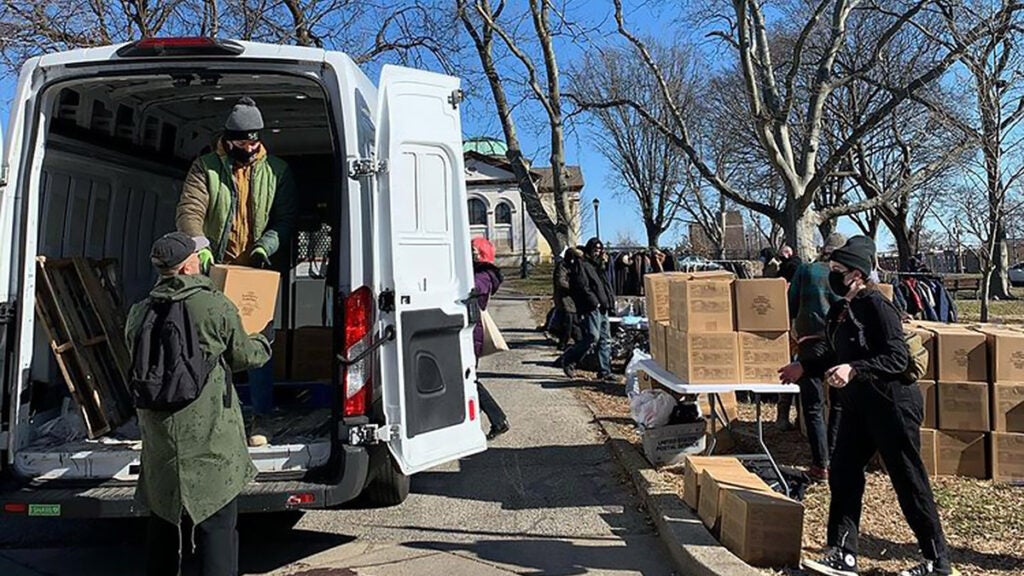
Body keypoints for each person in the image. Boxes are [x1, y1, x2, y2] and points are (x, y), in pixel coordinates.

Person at [781, 236, 958, 576]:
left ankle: (938, 561)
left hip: (892, 404)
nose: (832, 275)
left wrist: (855, 369)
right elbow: (836, 353)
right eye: (831, 267)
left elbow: (896, 357)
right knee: (844, 474)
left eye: (838, 270)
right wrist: (805, 366)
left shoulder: (877, 305)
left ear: (858, 275)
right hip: (857, 407)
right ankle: (843, 553)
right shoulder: (839, 310)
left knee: (908, 479)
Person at [127, 232, 271, 576]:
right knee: (217, 526)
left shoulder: (139, 312)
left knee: (162, 526)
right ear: (190, 264)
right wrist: (266, 340)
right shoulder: (214, 305)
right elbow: (243, 356)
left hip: (161, 440)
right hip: (209, 438)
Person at [175, 96, 297, 443]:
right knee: (209, 344)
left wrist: (265, 247)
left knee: (257, 342)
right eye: (244, 140)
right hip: (215, 270)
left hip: (256, 271)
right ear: (228, 139)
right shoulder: (206, 167)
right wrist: (201, 246)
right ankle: (214, 416)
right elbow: (190, 210)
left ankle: (261, 418)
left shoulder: (278, 171)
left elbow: (285, 219)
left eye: (255, 139)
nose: (250, 145)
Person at [780, 232, 846, 480]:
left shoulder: (807, 271)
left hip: (811, 344)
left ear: (824, 249)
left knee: (814, 406)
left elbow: (791, 305)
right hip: (841, 344)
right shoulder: (846, 276)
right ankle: (836, 458)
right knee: (838, 404)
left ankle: (821, 465)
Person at [472, 237, 510, 440]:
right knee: (467, 379)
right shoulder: (480, 273)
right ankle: (491, 420)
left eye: (474, 251)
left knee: (467, 379)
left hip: (472, 331)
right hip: (471, 330)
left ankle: (498, 419)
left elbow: (473, 290)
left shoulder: (485, 275)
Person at [561, 237, 615, 382]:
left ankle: (605, 370)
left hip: (603, 306)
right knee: (592, 337)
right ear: (590, 249)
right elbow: (583, 286)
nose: (597, 252)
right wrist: (594, 302)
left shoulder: (599, 266)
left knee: (605, 340)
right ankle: (570, 358)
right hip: (591, 306)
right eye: (595, 249)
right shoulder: (582, 264)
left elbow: (606, 286)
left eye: (599, 249)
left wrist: (609, 303)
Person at [552, 247, 581, 351]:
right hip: (564, 298)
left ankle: (579, 341)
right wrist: (573, 287)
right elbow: (561, 282)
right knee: (568, 322)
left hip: (572, 299)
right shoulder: (562, 266)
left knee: (574, 322)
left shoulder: (574, 267)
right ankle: (563, 343)